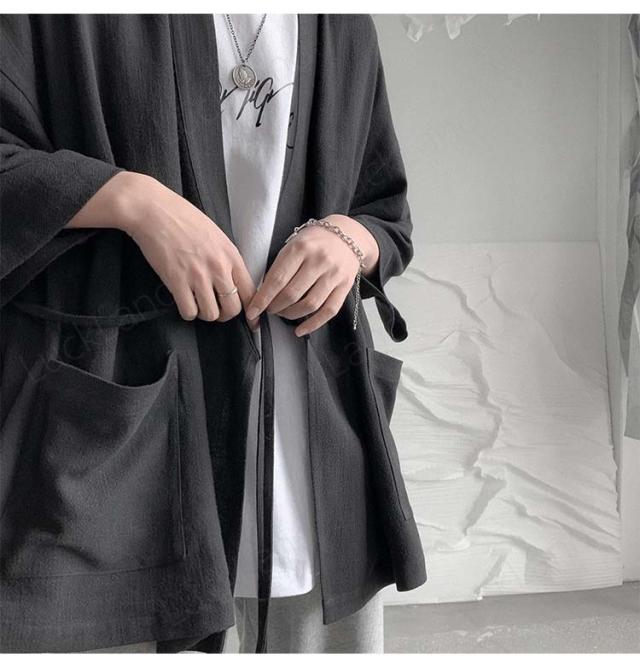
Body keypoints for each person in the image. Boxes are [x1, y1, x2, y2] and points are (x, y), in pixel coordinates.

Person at [0, 14, 427, 654]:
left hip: (312, 434)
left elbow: (385, 213)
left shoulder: (339, 23)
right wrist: (133, 202)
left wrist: (348, 242)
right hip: (122, 430)